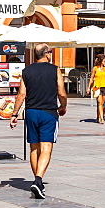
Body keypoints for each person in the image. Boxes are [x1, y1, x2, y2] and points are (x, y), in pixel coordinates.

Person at [10, 43, 67, 199]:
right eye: (50, 52)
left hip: (31, 113)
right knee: (46, 149)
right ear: (46, 54)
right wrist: (63, 106)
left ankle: (38, 182)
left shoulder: (26, 71)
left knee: (34, 149)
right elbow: (61, 93)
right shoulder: (55, 69)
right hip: (48, 113)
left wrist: (14, 114)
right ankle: (38, 180)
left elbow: (21, 95)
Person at [87, 53, 105, 124]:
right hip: (97, 87)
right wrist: (88, 87)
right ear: (100, 61)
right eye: (104, 60)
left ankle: (98, 116)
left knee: (102, 103)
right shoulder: (95, 68)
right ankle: (101, 118)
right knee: (100, 102)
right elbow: (91, 79)